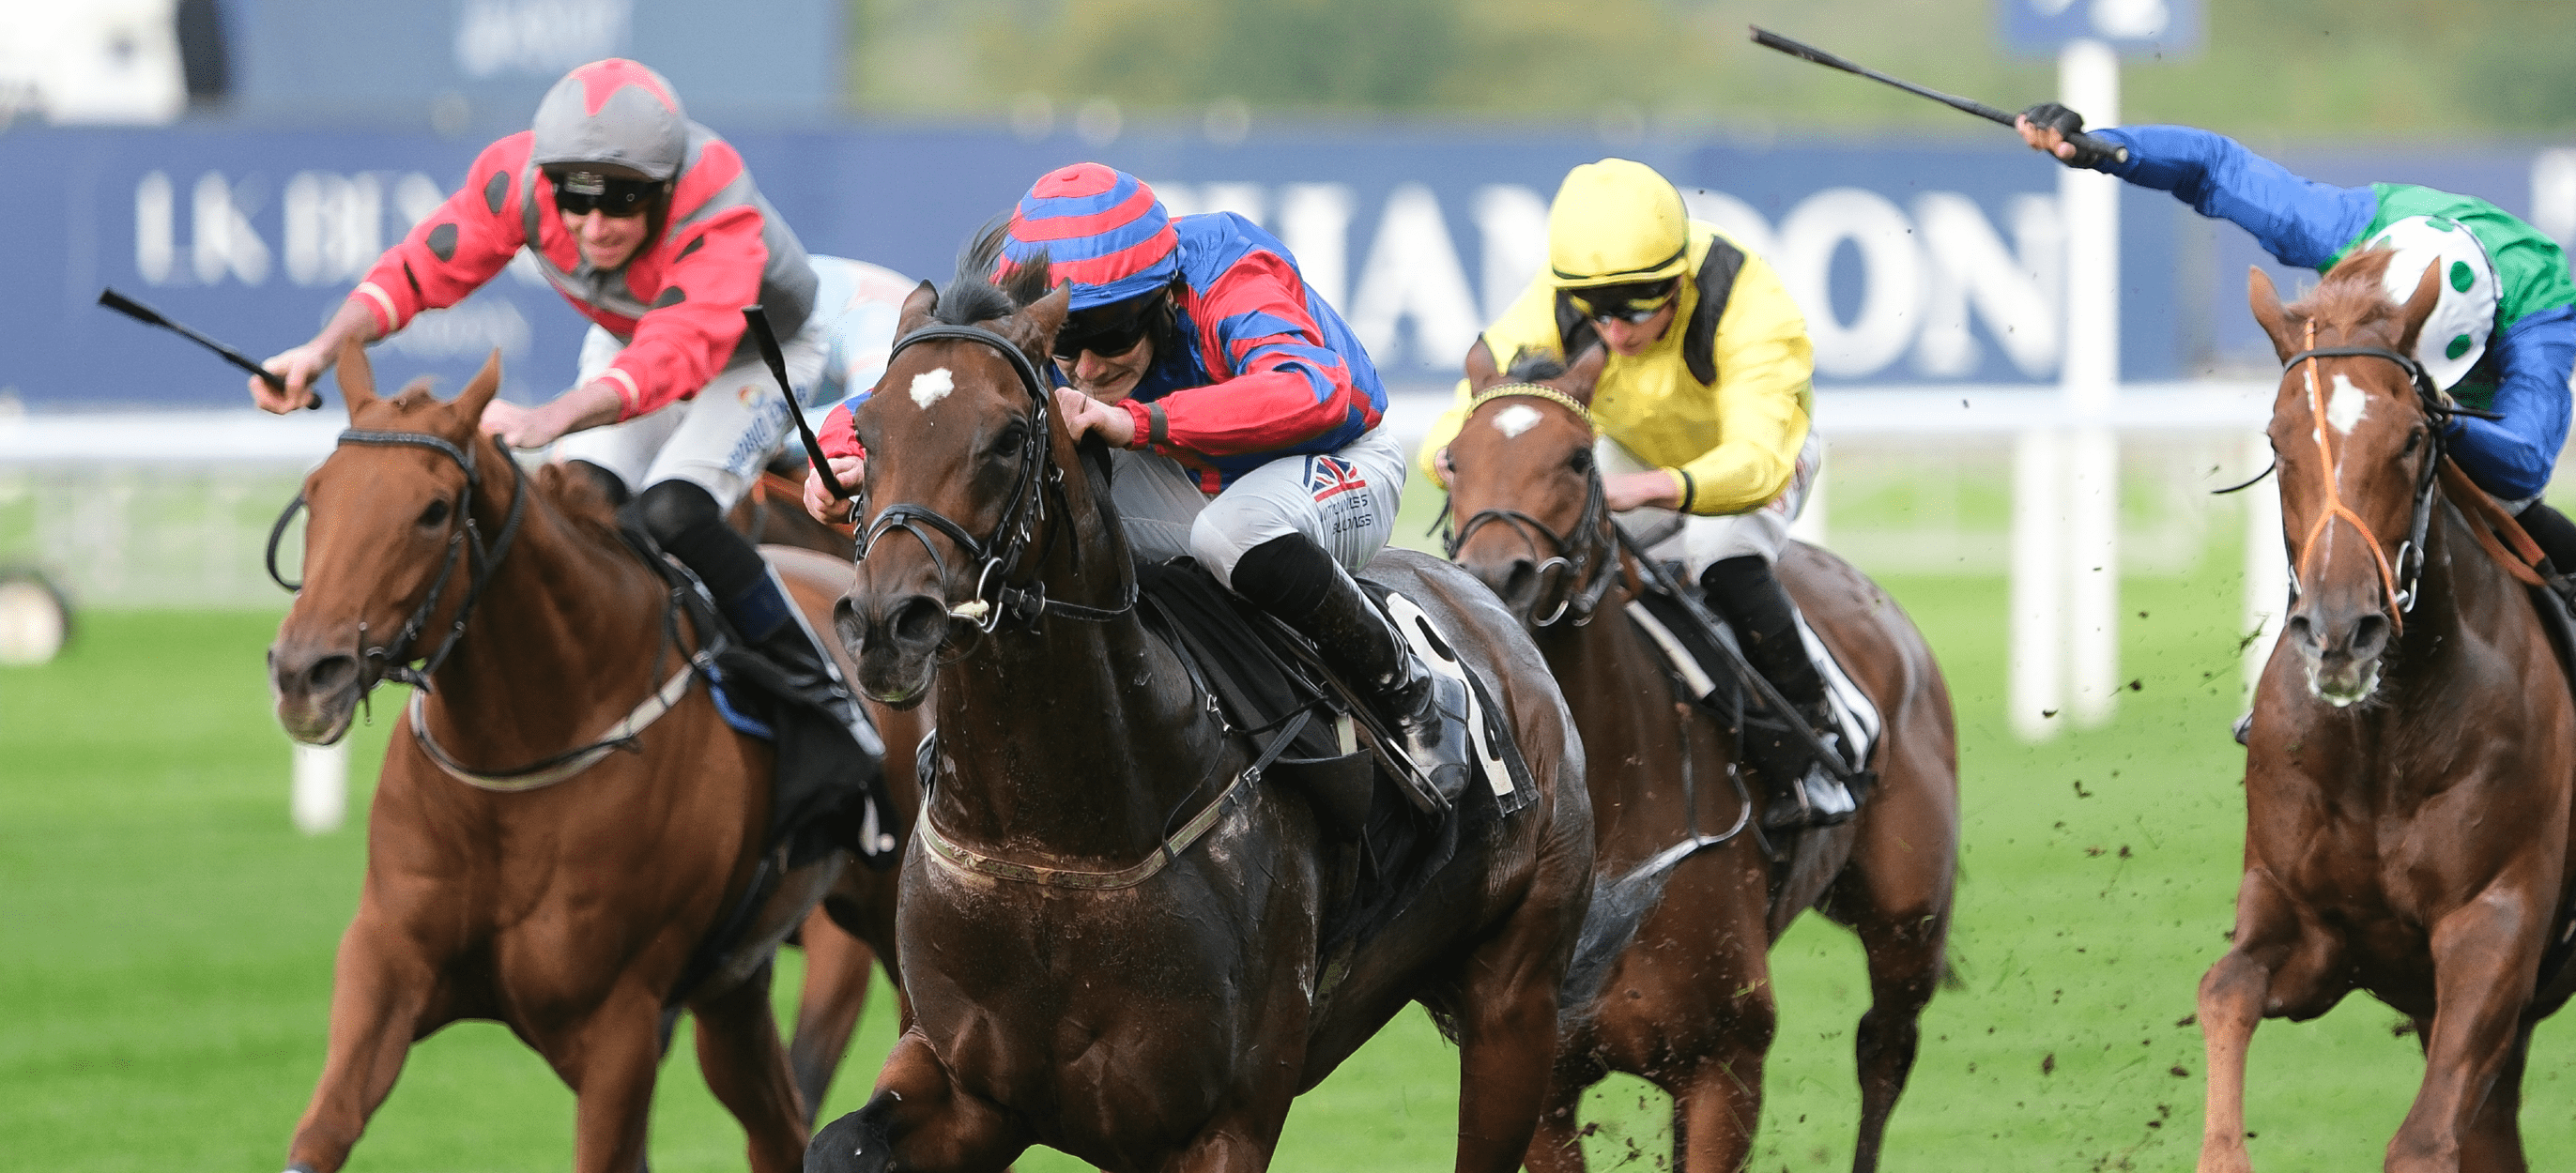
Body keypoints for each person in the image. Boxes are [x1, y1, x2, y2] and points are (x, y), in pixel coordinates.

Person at [248, 57, 884, 755]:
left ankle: (823, 692)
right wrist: (318, 349)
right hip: (633, 339)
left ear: (668, 186)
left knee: (672, 512)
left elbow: (675, 356)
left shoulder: (717, 202)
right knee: (580, 499)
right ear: (546, 180)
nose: (593, 223)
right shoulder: (515, 179)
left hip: (755, 351)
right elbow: (419, 269)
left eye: (623, 200)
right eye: (574, 199)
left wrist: (550, 417)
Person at [2014, 107, 2576, 747]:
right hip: (2389, 335)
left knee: (2510, 501)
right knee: (2337, 471)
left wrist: (2440, 423)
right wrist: (2107, 148)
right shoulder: (2350, 228)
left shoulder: (2539, 307)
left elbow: (2527, 460)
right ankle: (2309, 647)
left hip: (2473, 384)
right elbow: (2216, 167)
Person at [805, 163, 1468, 795]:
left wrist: (1140, 422)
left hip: (1336, 459)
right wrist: (837, 458)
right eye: (1068, 342)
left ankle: (1410, 686)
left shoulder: (1229, 267)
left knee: (1234, 532)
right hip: (1188, 473)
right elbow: (920, 392)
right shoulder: (1020, 295)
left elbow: (1313, 389)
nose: (1087, 367)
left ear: (1167, 295)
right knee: (1033, 510)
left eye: (1113, 334)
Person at [1416, 158, 1850, 831]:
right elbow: (1469, 414)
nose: (1615, 333)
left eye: (1640, 310)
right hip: (1625, 452)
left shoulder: (1749, 302)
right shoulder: (1565, 293)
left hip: (1754, 459)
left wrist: (1639, 490)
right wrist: (1455, 459)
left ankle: (1809, 745)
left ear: (1679, 279)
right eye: (1600, 314)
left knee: (1718, 551)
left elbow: (1757, 461)